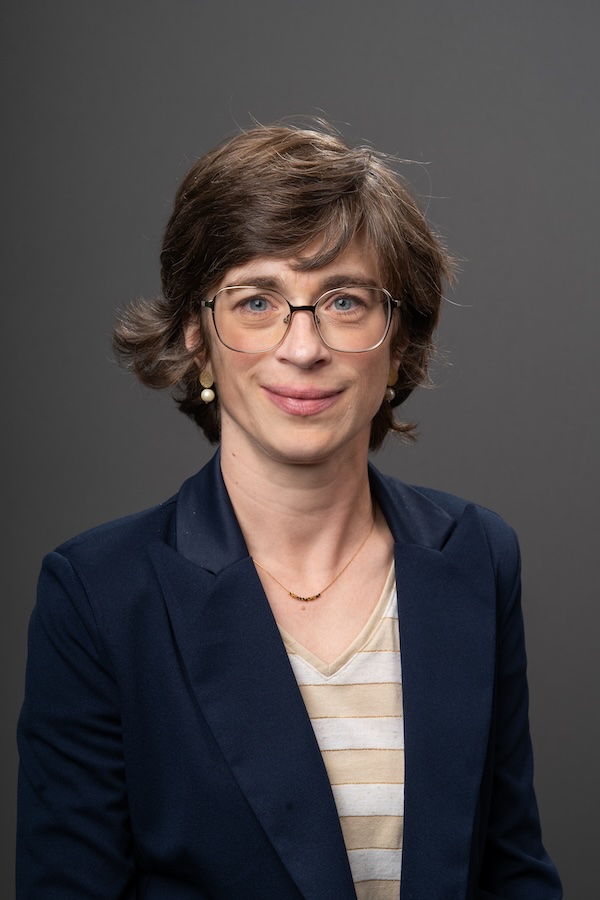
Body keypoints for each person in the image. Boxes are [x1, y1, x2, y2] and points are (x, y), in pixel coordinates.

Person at [17, 122, 562, 899]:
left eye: (343, 300)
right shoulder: (99, 595)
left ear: (399, 340)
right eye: (256, 301)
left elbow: (512, 872)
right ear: (196, 340)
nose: (302, 347)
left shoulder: (475, 555)